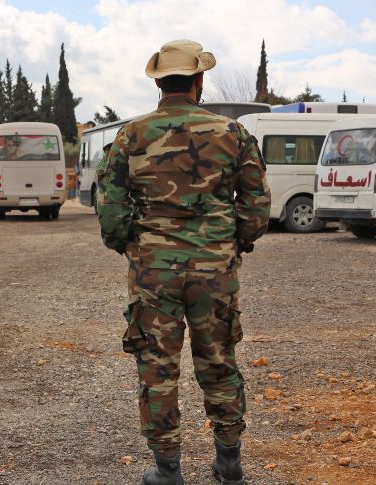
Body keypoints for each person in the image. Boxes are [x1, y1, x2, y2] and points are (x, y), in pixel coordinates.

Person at [96, 39, 271, 485]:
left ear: (159, 83)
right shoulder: (232, 133)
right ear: (198, 81)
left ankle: (167, 470)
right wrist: (233, 244)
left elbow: (111, 212)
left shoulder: (130, 137)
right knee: (218, 360)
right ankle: (229, 462)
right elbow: (256, 207)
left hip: (154, 272)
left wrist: (133, 247)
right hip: (215, 272)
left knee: (157, 367)